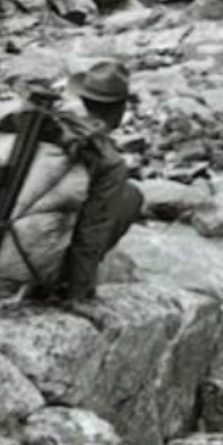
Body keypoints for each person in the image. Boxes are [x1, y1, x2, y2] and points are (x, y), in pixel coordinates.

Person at [21, 60, 144, 302]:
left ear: (85, 100)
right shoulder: (105, 159)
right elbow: (92, 232)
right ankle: (58, 283)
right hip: (37, 266)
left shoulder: (50, 126)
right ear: (119, 109)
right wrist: (78, 294)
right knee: (130, 197)